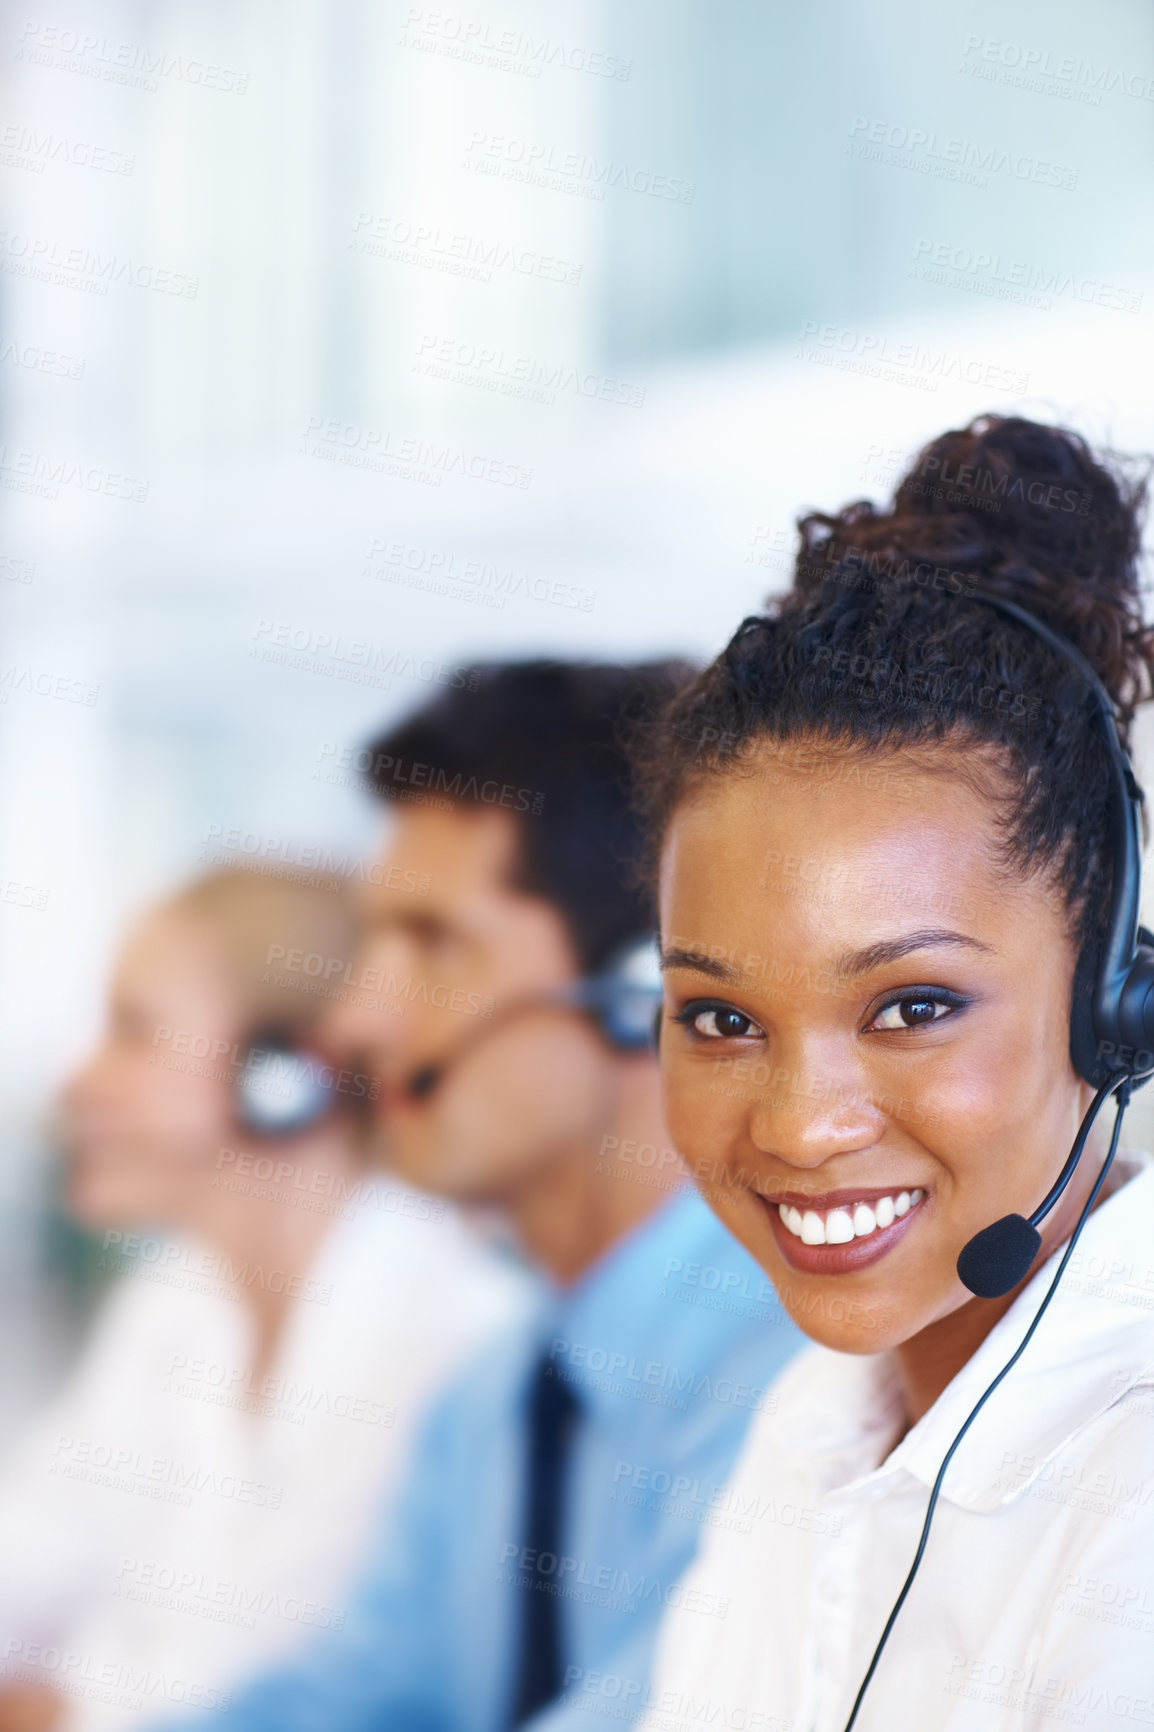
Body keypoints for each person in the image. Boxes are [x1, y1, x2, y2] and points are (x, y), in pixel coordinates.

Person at [594, 415, 1154, 1732]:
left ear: (1110, 1001)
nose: (800, 1128)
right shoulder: (811, 1422)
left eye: (911, 1005)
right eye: (720, 1018)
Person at [178, 661, 805, 1732]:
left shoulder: (799, 1374)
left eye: (432, 943)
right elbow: (338, 1698)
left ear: (643, 985)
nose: (361, 1022)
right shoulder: (486, 1406)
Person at [0, 868, 529, 1732]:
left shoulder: (449, 1339)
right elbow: (24, 1569)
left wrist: (54, 1705)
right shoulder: (175, 1302)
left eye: (134, 1031)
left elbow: (252, 1693)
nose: (79, 1085)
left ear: (284, 1073)